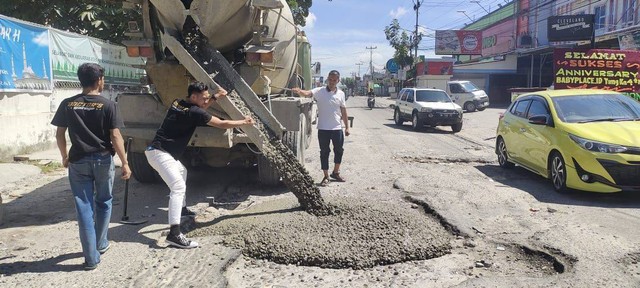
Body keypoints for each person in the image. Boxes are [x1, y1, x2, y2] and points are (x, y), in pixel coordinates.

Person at [145, 81, 254, 249]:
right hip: (160, 154)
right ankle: (174, 234)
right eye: (204, 98)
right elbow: (221, 124)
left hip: (157, 150)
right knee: (178, 187)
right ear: (194, 97)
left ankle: (182, 210)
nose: (206, 101)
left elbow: (200, 110)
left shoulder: (178, 103)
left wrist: (215, 97)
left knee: (182, 171)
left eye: (207, 98)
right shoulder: (195, 112)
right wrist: (244, 122)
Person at [51, 63, 131, 270]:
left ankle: (91, 258)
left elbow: (59, 134)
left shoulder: (67, 104)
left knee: (83, 208)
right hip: (103, 160)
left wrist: (64, 156)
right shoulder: (108, 105)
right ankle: (100, 243)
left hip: (77, 161)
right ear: (99, 80)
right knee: (104, 202)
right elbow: (115, 136)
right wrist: (125, 162)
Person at [292, 70, 350, 186]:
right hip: (323, 129)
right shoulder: (319, 91)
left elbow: (343, 111)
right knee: (324, 152)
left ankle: (336, 172)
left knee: (339, 150)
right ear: (328, 79)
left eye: (335, 80)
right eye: (331, 79)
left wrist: (347, 127)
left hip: (337, 128)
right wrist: (299, 91)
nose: (332, 82)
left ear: (338, 81)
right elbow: (308, 93)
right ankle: (326, 176)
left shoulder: (341, 94)